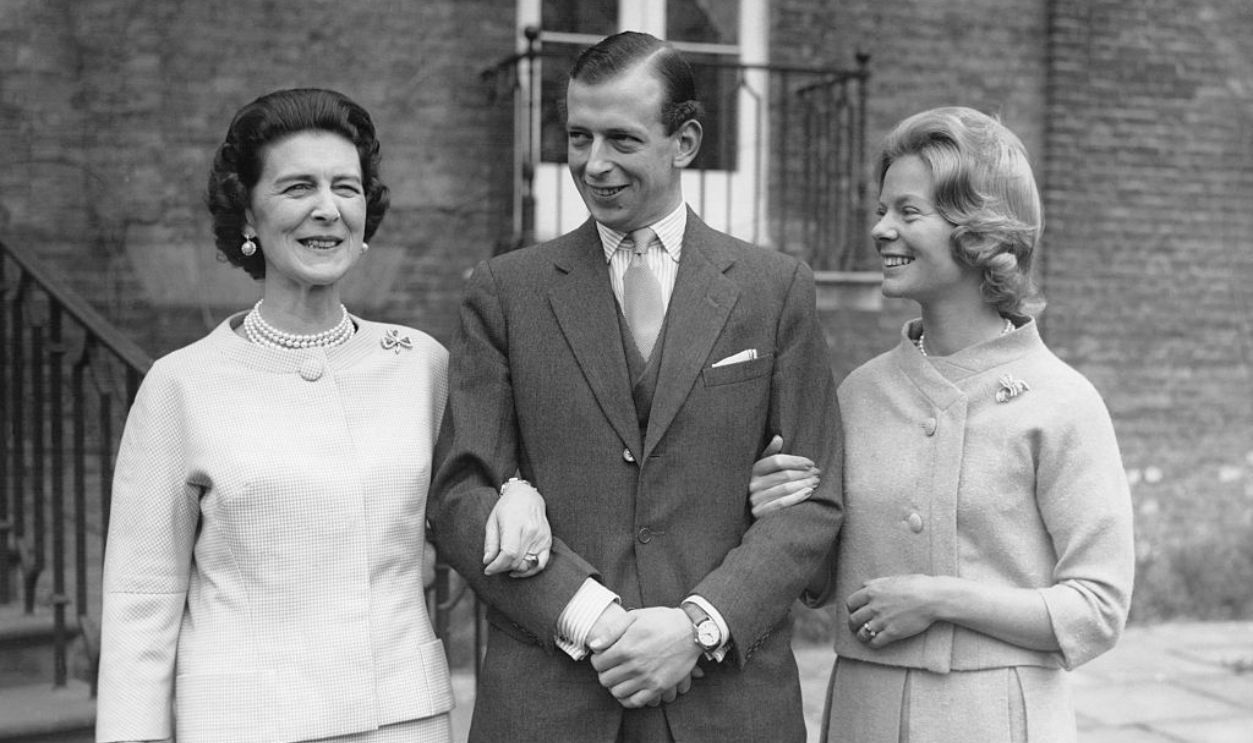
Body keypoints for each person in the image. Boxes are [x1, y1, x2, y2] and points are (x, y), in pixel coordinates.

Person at [95, 88, 552, 743]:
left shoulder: (419, 365)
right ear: (247, 215)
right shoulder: (182, 386)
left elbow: (488, 479)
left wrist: (520, 492)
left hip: (398, 718)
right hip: (239, 724)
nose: (327, 209)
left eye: (346, 186)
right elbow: (143, 596)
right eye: (297, 187)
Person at [428, 31, 844, 743]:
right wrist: (595, 618)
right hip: (551, 704)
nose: (593, 164)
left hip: (726, 703)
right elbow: (462, 498)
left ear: (683, 141)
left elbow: (815, 501)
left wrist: (696, 627)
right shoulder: (506, 292)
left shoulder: (775, 292)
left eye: (621, 139)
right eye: (578, 137)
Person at [751, 106, 1136, 742]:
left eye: (908, 212)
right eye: (882, 210)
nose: (880, 229)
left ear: (978, 231)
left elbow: (1097, 609)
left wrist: (941, 599)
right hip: (862, 714)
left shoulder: (1063, 401)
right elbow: (822, 584)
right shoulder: (860, 392)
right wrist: (783, 509)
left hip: (1003, 718)